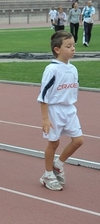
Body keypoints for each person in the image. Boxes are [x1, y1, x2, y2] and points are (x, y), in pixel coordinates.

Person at [37, 30, 84, 191]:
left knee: (78, 141)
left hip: (70, 110)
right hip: (55, 110)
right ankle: (48, 174)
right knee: (54, 143)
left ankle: (58, 164)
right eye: (68, 46)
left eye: (74, 46)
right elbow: (43, 95)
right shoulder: (52, 69)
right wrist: (45, 118)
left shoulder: (73, 69)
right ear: (57, 50)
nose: (73, 49)